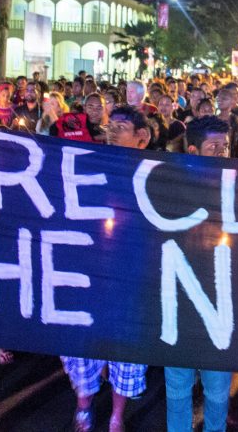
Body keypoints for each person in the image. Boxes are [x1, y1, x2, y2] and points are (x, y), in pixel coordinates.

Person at [62, 106, 149, 432]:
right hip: (89, 278)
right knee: (82, 346)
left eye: (122, 126)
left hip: (130, 283)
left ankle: (116, 414)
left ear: (142, 137)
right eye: (110, 125)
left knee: (125, 353)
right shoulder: (88, 165)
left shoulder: (153, 174)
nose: (113, 130)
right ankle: (84, 405)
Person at [165, 115, 232, 432]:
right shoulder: (171, 187)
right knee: (178, 390)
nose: (221, 153)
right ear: (193, 150)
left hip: (222, 309)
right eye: (213, 147)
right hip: (177, 307)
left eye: (225, 147)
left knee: (217, 392)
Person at [216, 87, 238, 158]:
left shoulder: (237, 121)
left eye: (224, 98)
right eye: (218, 98)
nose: (220, 101)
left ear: (232, 101)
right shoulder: (213, 120)